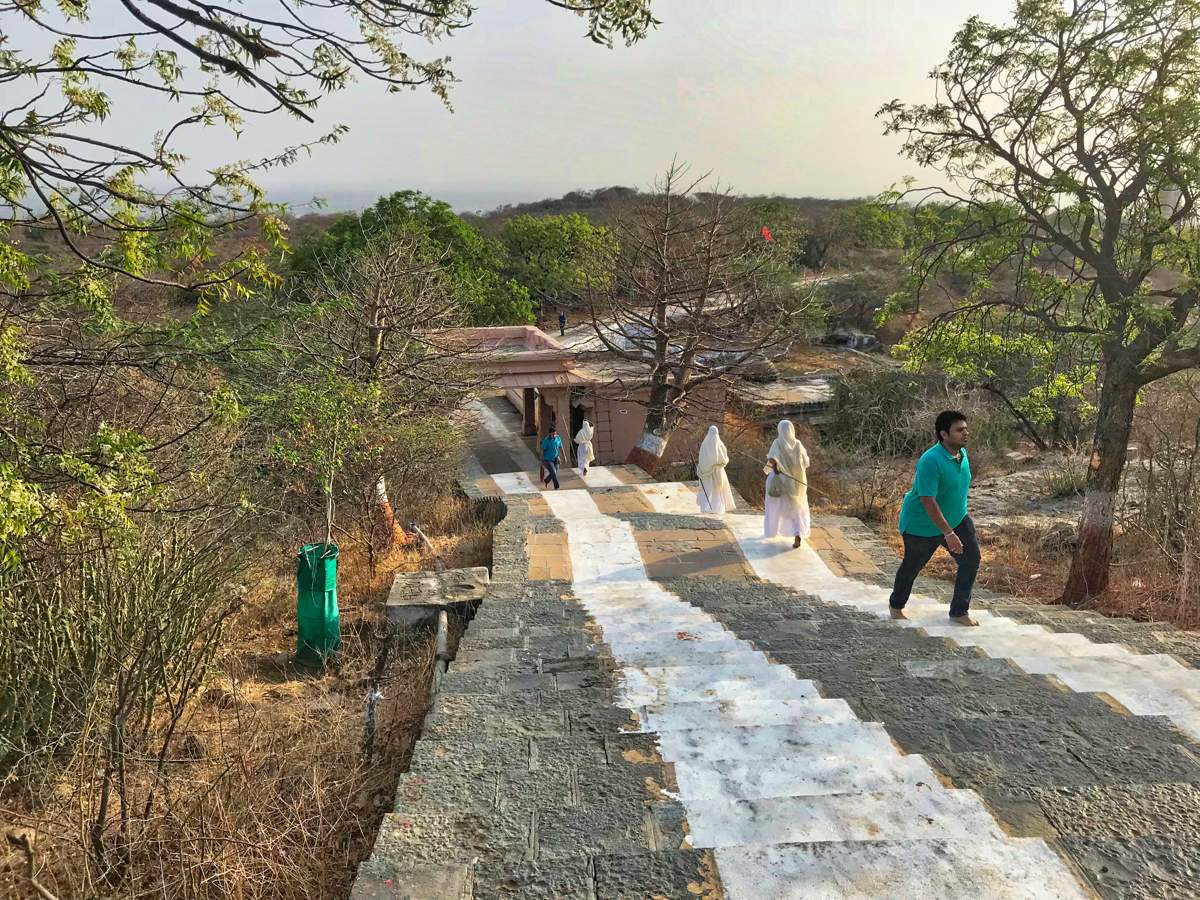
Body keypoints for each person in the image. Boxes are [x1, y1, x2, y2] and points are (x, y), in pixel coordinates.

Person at [889, 410, 980, 626]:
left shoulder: (961, 454)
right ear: (944, 434)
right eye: (959, 430)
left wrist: (955, 525)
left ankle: (959, 611)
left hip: (957, 518)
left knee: (971, 559)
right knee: (912, 566)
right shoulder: (930, 461)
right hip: (922, 525)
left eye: (966, 429)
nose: (965, 433)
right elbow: (928, 501)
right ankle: (896, 606)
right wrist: (948, 533)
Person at [763, 419, 810, 548]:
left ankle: (774, 531)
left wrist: (771, 469)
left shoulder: (777, 443)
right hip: (795, 483)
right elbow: (806, 463)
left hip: (780, 481)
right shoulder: (798, 444)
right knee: (796, 510)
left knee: (776, 508)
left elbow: (772, 460)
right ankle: (797, 533)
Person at [696, 425, 735, 514]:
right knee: (717, 490)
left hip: (707, 473)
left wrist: (704, 467)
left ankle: (706, 507)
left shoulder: (704, 444)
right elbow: (725, 459)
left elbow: (702, 459)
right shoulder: (720, 444)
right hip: (718, 472)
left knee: (709, 489)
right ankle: (716, 508)